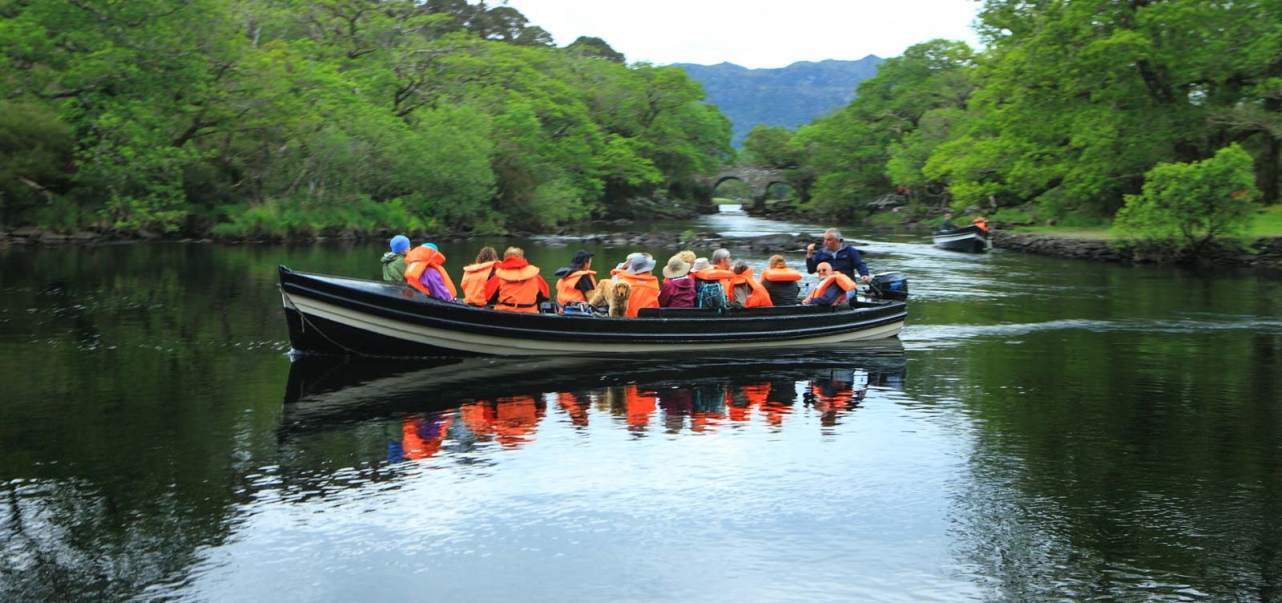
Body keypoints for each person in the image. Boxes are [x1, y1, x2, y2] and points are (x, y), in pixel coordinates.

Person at [484, 247, 550, 313]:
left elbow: (488, 298)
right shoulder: (534, 276)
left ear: (505, 258)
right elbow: (545, 296)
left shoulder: (499, 276)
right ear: (522, 258)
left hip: (504, 312)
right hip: (530, 313)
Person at [805, 228, 871, 288]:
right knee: (811, 291)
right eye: (824, 239)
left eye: (828, 240)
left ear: (837, 240)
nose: (825, 242)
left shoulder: (850, 251)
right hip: (827, 285)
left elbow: (859, 264)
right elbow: (811, 270)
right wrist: (809, 254)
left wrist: (864, 275)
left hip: (846, 285)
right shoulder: (821, 252)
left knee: (838, 297)